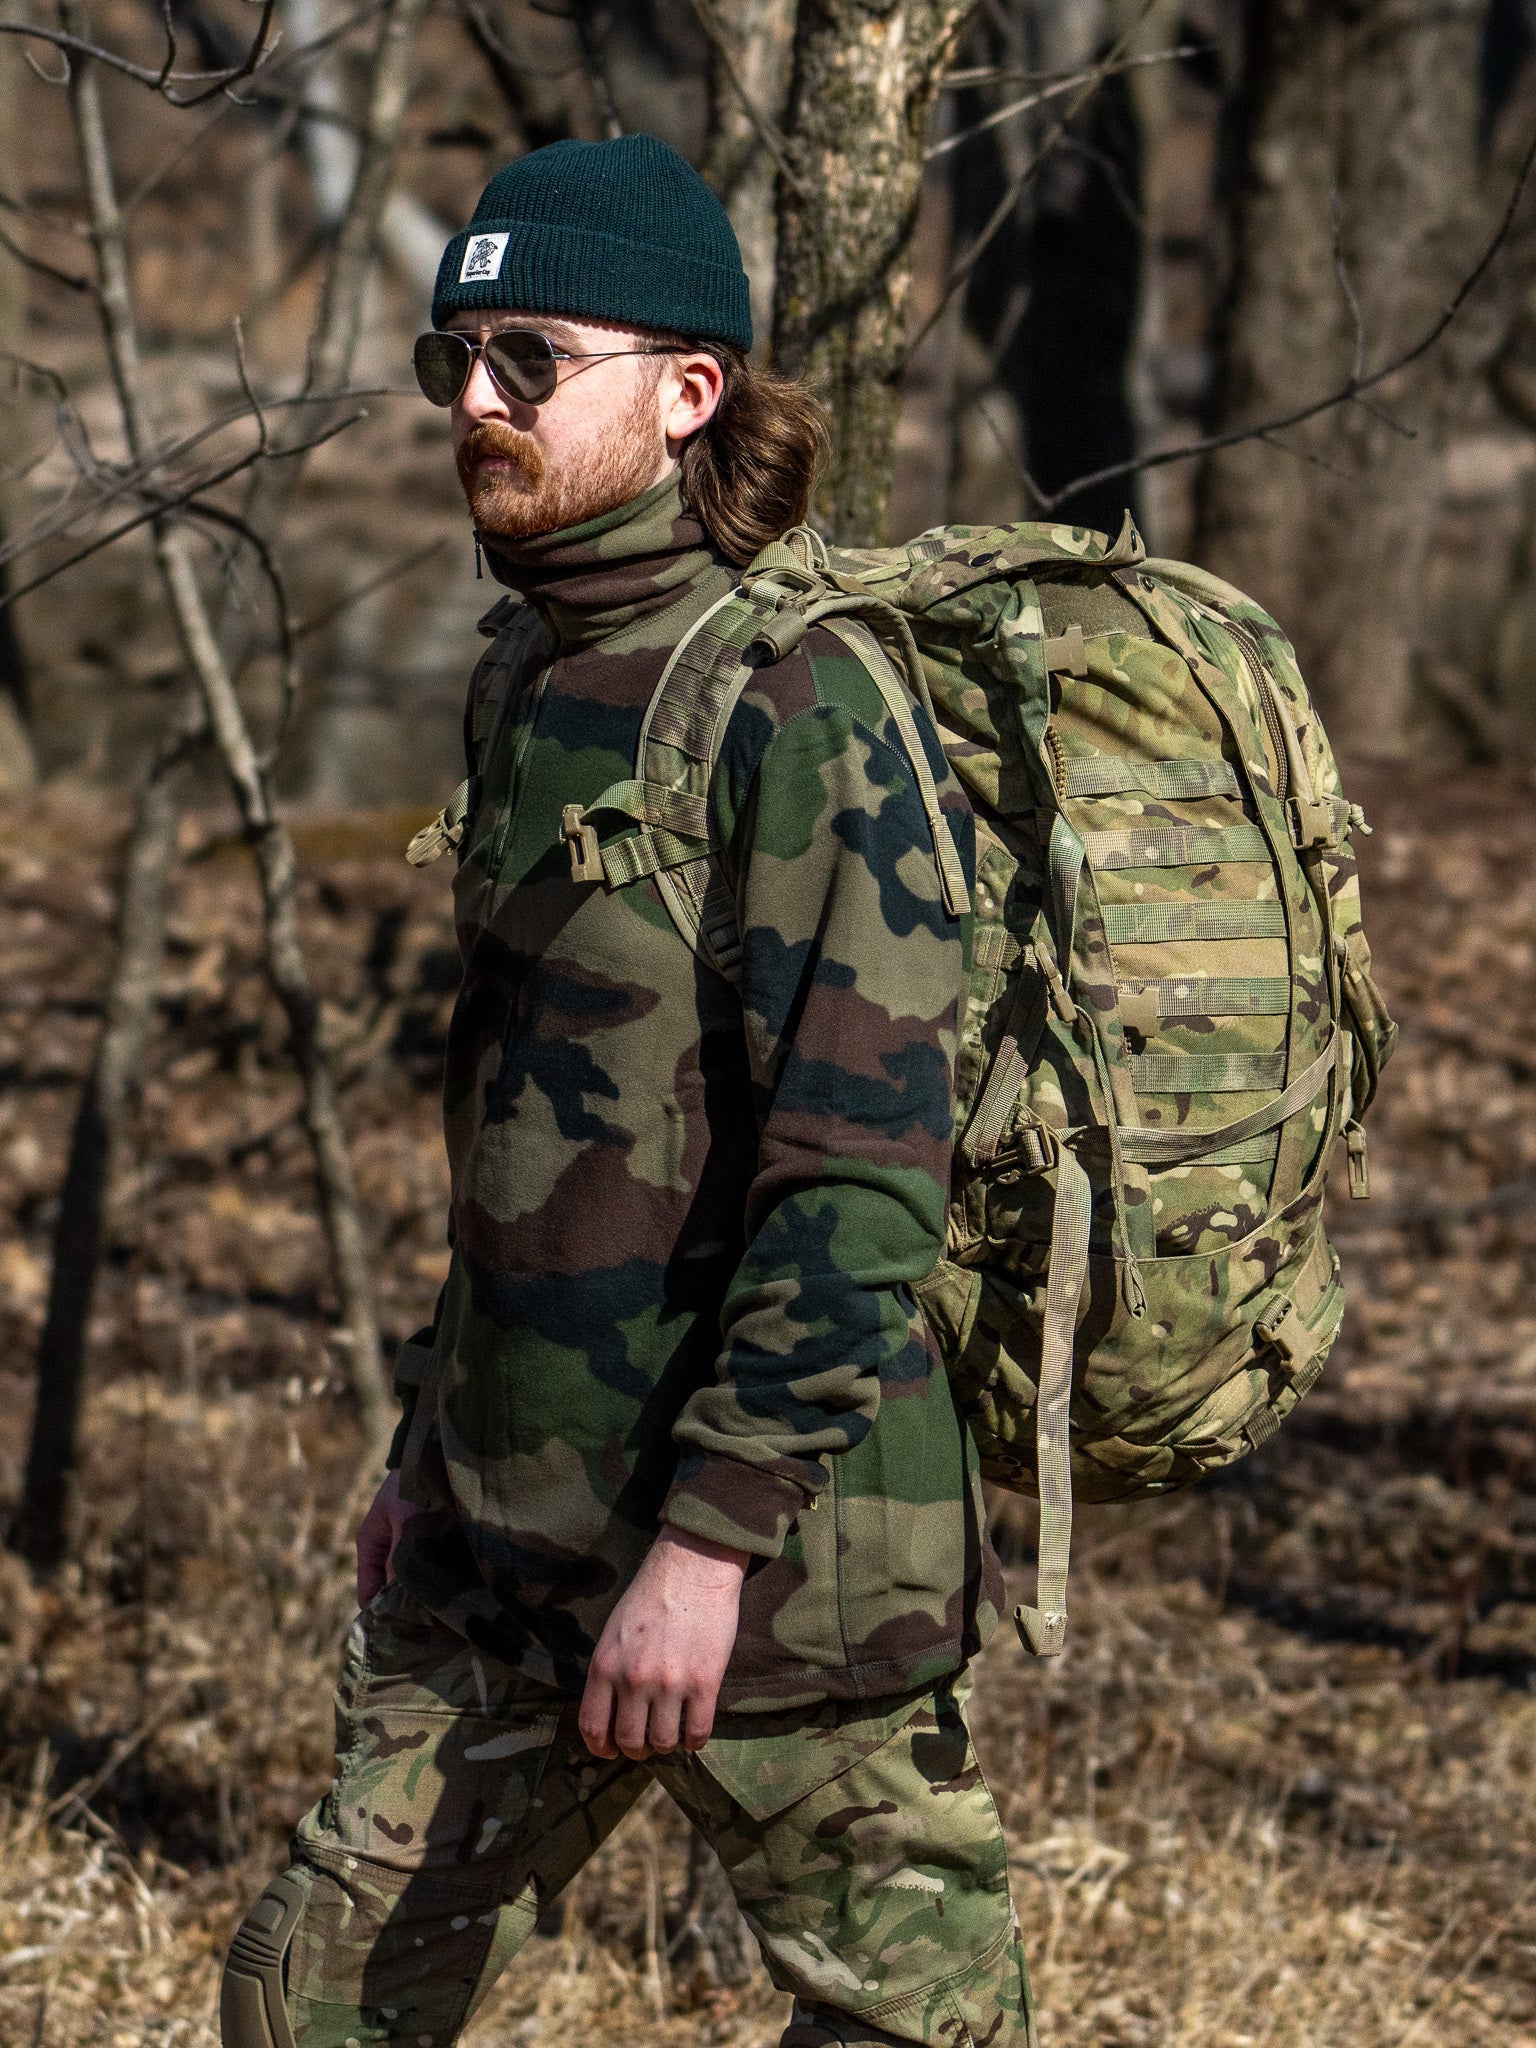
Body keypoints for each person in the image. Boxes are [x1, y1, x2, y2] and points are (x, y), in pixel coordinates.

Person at [221, 133, 1029, 2048]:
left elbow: (862, 1175)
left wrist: (709, 1545)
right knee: (302, 2001)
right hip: (509, 1539)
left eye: (532, 360)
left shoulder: (802, 703)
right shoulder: (527, 671)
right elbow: (523, 1135)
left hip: (786, 1560)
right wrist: (427, 1450)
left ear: (687, 394)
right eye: (457, 361)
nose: (476, 404)